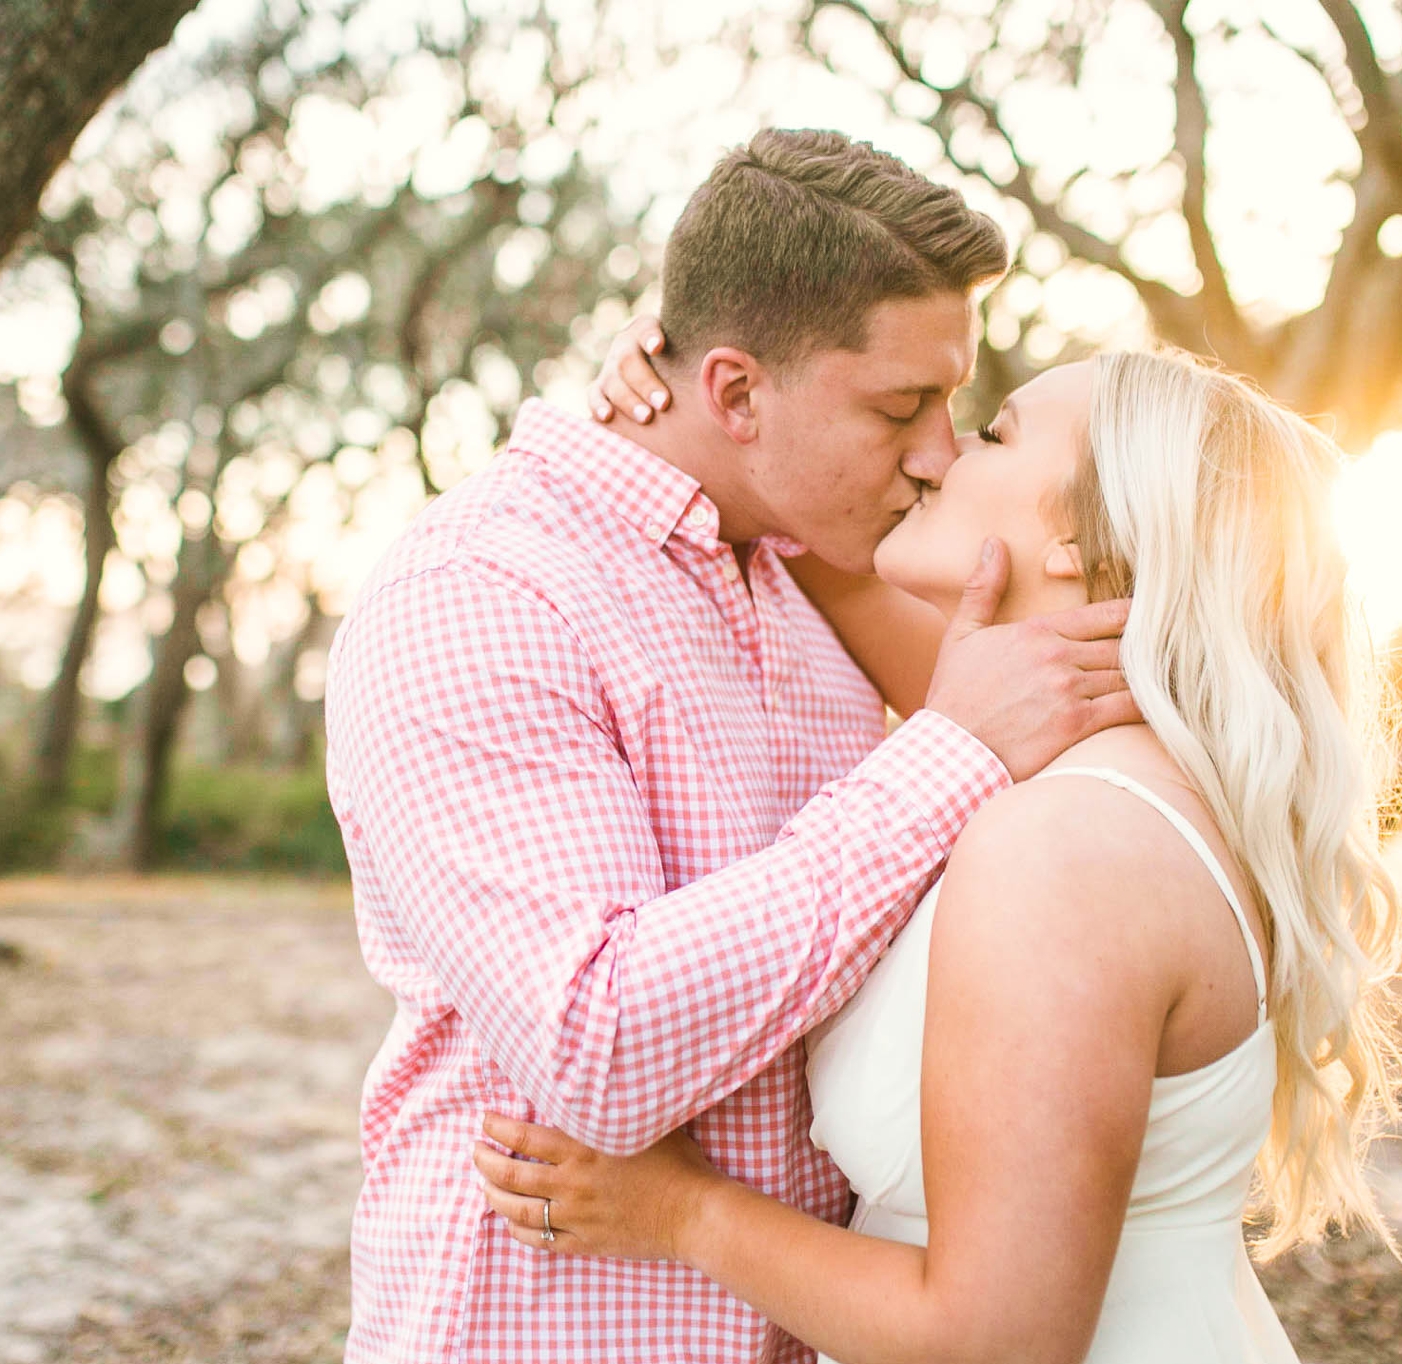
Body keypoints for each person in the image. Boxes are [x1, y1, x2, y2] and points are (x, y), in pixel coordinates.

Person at [322, 128, 1138, 1364]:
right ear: (735, 391)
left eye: (954, 403)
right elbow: (594, 1049)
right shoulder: (480, 595)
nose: (937, 453)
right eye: (901, 406)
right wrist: (947, 752)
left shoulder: (815, 569)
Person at [473, 348, 1402, 1363]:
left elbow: (993, 1338)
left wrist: (679, 1210)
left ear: (1073, 536)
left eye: (993, 431)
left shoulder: (1066, 844)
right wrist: (706, 375)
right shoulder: (1089, 761)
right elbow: (809, 540)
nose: (938, 451)